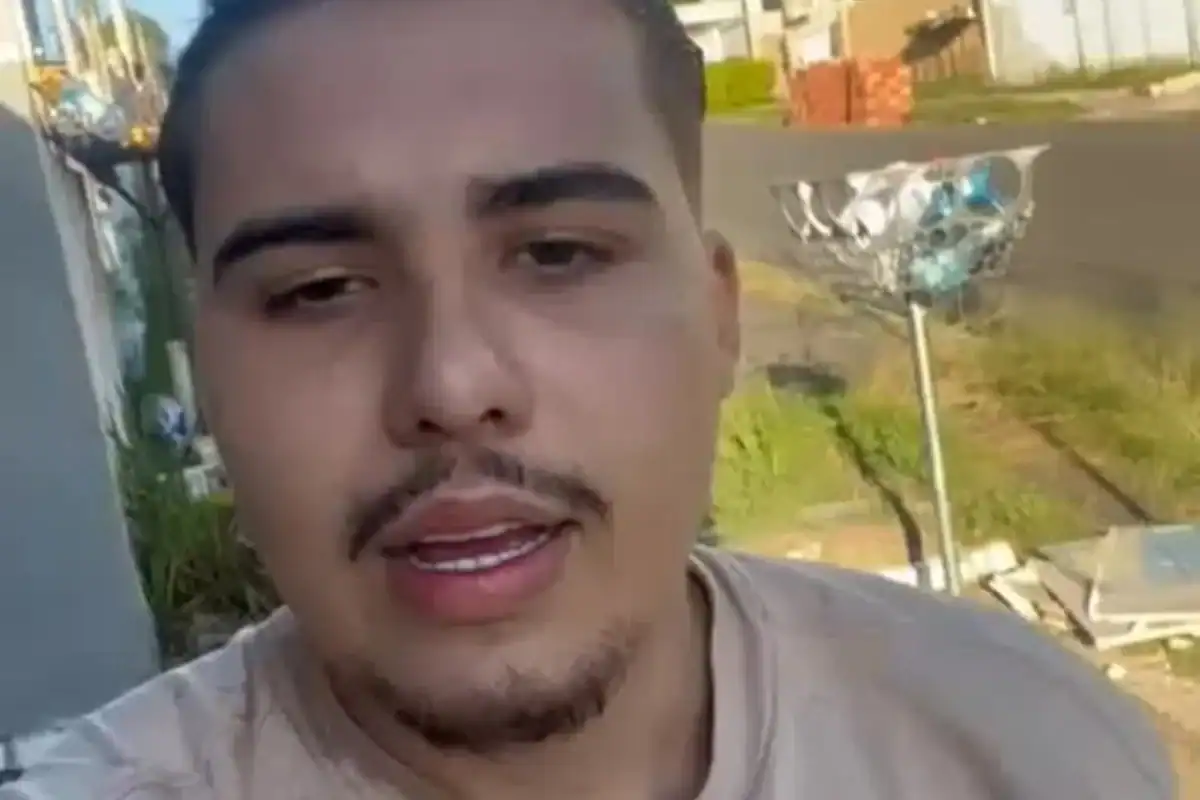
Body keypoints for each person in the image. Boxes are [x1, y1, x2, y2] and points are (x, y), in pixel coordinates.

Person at [3, 0, 1174, 798]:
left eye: (557, 254)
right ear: (208, 376)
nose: (452, 385)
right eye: (319, 290)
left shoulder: (1027, 743)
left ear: (720, 316)